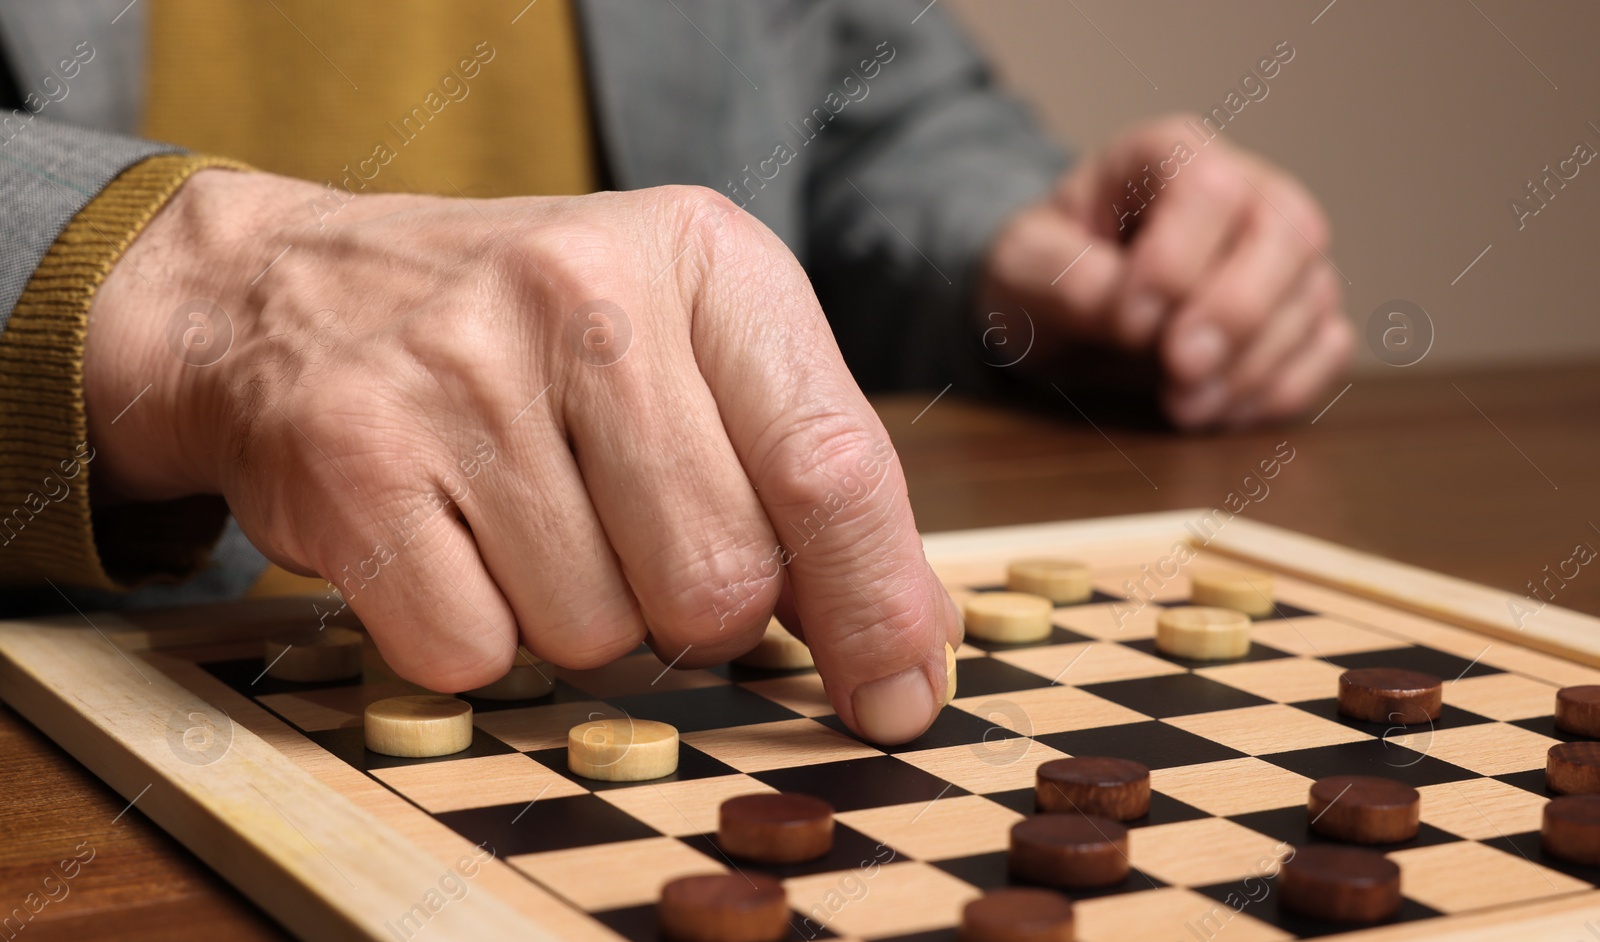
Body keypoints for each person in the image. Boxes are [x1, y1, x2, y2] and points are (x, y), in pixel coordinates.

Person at [0, 1, 1349, 744]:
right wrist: (194, 290)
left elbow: (864, 98)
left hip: (656, 692)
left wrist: (1024, 256)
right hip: (100, 719)